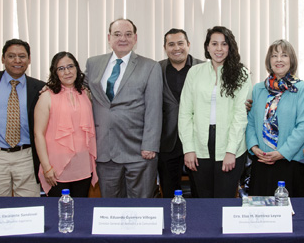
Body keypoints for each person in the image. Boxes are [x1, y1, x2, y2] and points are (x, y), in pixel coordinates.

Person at [85, 18, 162, 198]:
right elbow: (78, 91)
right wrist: (50, 87)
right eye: (117, 34)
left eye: (128, 34)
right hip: (104, 149)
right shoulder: (93, 64)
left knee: (140, 207)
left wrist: (150, 145)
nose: (123, 39)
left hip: (138, 151)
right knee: (110, 207)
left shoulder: (150, 66)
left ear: (135, 39)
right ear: (109, 38)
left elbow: (154, 109)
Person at [178, 26, 251, 198]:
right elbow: (185, 113)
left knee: (224, 198)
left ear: (230, 47)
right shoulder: (194, 72)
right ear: (207, 47)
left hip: (230, 143)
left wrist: (231, 151)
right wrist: (188, 149)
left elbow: (240, 116)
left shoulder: (241, 73)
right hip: (199, 143)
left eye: (224, 44)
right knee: (203, 198)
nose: (219, 49)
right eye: (214, 43)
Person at [246, 39, 304, 197]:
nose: (279, 59)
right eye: (274, 55)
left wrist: (282, 152)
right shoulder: (258, 89)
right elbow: (250, 123)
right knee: (261, 217)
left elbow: (303, 126)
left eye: (284, 55)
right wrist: (254, 148)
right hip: (261, 162)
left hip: (291, 163)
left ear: (291, 60)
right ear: (269, 61)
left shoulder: (302, 88)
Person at [0, 39, 45, 197]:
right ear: (3, 58)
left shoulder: (39, 88)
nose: (17, 60)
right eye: (11, 56)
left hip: (26, 156)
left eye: (22, 56)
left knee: (30, 208)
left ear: (29, 59)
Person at [34, 52, 97, 197]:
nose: (67, 72)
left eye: (70, 66)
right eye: (61, 68)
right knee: (59, 212)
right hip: (56, 167)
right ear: (55, 73)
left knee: (81, 210)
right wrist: (46, 167)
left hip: (83, 166)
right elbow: (39, 134)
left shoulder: (85, 94)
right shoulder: (46, 96)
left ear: (77, 68)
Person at [158, 28, 203, 198]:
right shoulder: (156, 69)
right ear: (165, 47)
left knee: (200, 192)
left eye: (180, 43)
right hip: (167, 141)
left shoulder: (203, 67)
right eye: (171, 44)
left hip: (197, 140)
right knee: (170, 193)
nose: (176, 48)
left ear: (188, 45)